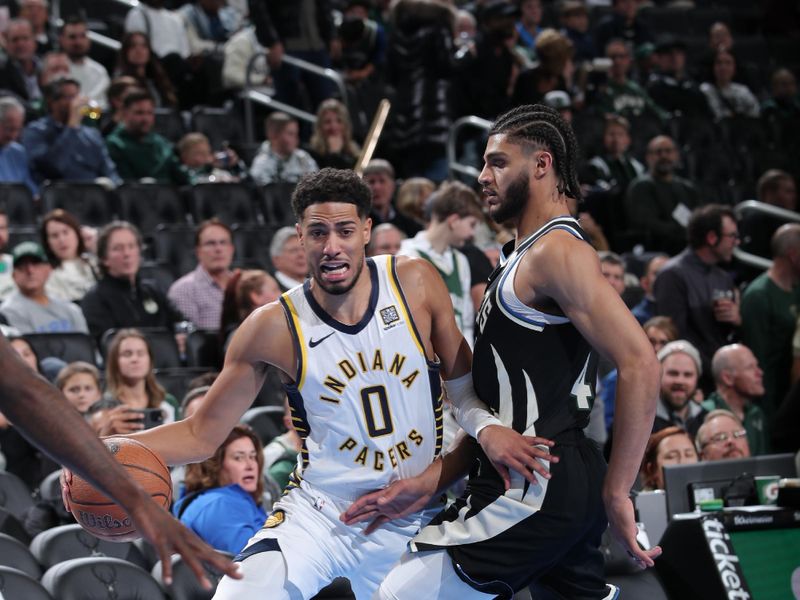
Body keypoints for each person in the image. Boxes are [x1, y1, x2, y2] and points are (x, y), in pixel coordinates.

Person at [74, 167, 550, 599]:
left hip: (419, 511)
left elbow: (466, 390)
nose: (332, 246)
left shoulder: (415, 281)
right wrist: (97, 451)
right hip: (322, 512)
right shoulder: (270, 327)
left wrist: (440, 474)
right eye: (318, 232)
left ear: (366, 230)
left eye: (345, 230)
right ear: (300, 237)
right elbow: (201, 435)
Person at [349, 105, 661, 600]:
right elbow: (498, 413)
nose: (482, 176)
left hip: (536, 486)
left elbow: (641, 362)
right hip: (533, 476)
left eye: (497, 162)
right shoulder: (520, 255)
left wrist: (618, 491)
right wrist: (434, 479)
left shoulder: (556, 251)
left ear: (542, 164)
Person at [0, 333, 240, 590]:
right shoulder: (266, 326)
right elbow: (23, 391)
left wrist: (90, 454)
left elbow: (200, 438)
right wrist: (135, 499)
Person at [654, 204, 741, 390]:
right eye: (732, 236)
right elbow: (675, 336)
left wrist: (736, 320)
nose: (737, 242)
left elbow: (726, 336)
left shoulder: (723, 277)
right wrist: (716, 373)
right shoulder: (672, 275)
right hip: (692, 380)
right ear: (711, 238)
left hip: (720, 375)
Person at [399, 181, 481, 345]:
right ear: (454, 220)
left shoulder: (460, 260)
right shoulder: (408, 255)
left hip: (456, 363)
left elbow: (466, 323)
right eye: (471, 224)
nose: (472, 233)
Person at [81, 221, 186, 344]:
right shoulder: (95, 299)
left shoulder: (154, 291)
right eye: (118, 248)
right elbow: (106, 345)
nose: (127, 254)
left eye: (131, 246)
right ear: (104, 259)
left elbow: (178, 324)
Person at [173, 424, 267, 555]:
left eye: (252, 457)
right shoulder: (220, 505)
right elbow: (255, 561)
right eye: (238, 458)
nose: (250, 465)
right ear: (215, 465)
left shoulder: (227, 500)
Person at [741, 223, 800, 422]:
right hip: (772, 399)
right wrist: (769, 415)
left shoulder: (796, 289)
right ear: (793, 255)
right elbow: (759, 359)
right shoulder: (759, 296)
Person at [21, 78, 121, 186]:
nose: (76, 103)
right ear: (52, 101)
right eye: (69, 97)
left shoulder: (91, 134)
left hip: (94, 195)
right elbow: (53, 167)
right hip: (58, 194)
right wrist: (72, 127)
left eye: (77, 96)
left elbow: (109, 171)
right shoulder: (36, 131)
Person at [624, 134, 699, 255]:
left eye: (668, 151)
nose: (664, 156)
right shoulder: (640, 186)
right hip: (656, 248)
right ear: (648, 157)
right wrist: (683, 232)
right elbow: (646, 223)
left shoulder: (687, 188)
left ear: (676, 155)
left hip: (687, 246)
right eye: (658, 152)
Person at [0, 241, 90, 334]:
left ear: (48, 269)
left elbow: (85, 345)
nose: (30, 270)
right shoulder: (7, 312)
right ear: (14, 275)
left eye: (35, 263)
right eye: (22, 266)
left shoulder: (71, 309)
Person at [105, 88, 187, 184]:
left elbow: (182, 177)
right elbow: (126, 186)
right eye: (139, 113)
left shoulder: (161, 143)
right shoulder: (114, 144)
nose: (145, 119)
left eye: (149, 113)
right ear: (125, 113)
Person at [168, 219, 235, 330]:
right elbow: (192, 340)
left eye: (223, 242)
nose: (218, 249)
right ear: (198, 251)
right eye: (210, 243)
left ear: (232, 249)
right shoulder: (184, 289)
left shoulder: (243, 285)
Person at [702, 344, 768, 456]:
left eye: (757, 366)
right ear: (727, 378)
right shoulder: (703, 414)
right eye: (750, 367)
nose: (759, 373)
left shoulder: (756, 413)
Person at [40, 209, 99, 302]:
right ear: (47, 242)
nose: (62, 240)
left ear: (77, 233)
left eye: (66, 232)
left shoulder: (94, 261)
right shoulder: (46, 274)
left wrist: (96, 247)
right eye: (55, 236)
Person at [652, 340, 707, 437]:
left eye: (688, 375)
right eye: (673, 373)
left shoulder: (706, 420)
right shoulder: (640, 421)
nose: (680, 381)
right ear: (657, 375)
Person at [249, 112, 318, 186]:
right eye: (290, 134)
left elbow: (316, 184)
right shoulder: (261, 163)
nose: (296, 139)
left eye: (296, 134)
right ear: (273, 135)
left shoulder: (303, 158)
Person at [59, 16, 111, 110]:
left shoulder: (99, 71)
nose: (78, 42)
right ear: (62, 40)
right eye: (72, 37)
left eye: (82, 36)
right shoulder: (55, 68)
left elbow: (103, 105)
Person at [114, 32, 179, 108]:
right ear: (125, 52)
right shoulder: (121, 82)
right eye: (133, 46)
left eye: (144, 46)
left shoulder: (158, 79)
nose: (139, 50)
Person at [363, 159, 421, 238]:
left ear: (393, 186)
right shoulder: (359, 220)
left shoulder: (408, 223)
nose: (377, 187)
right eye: (371, 182)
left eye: (382, 181)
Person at [699, 48, 760, 122]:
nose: (723, 67)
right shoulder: (704, 91)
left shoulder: (743, 91)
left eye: (728, 63)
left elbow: (755, 114)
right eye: (719, 63)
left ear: (735, 67)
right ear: (713, 67)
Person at [307, 98, 360, 170]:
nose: (334, 126)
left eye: (339, 121)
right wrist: (334, 154)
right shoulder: (311, 154)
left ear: (346, 125)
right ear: (320, 126)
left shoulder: (354, 154)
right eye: (328, 122)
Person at [639, 426, 698, 491]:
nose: (683, 462)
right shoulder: (640, 501)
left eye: (688, 455)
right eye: (671, 457)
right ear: (651, 469)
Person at [0, 95, 38, 196]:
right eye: (9, 129)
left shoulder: (18, 153)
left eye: (18, 129)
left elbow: (30, 191)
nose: (13, 135)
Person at [631, 254, 668, 325]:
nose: (664, 278)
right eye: (657, 273)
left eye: (667, 273)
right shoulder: (637, 317)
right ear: (645, 283)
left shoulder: (684, 310)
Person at [268, 226, 308, 291]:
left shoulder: (318, 287)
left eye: (304, 249)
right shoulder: (270, 291)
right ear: (276, 260)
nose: (301, 255)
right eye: (293, 250)